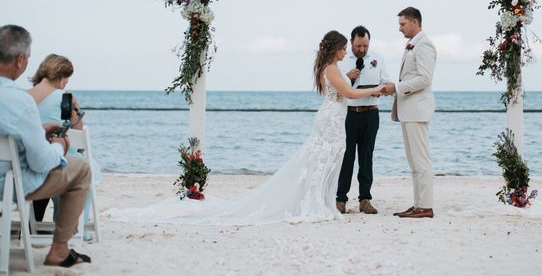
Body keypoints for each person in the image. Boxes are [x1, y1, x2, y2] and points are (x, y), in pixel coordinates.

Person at [110, 30, 383, 225]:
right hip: (332, 119)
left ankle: (322, 202)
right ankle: (317, 204)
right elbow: (349, 93)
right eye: (344, 47)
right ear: (336, 48)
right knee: (323, 163)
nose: (346, 51)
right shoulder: (333, 67)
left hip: (332, 118)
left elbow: (340, 90)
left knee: (326, 162)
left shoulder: (328, 66)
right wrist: (379, 89)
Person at [0, 25, 91, 268]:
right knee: (79, 168)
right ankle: (59, 251)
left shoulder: (27, 96)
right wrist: (60, 146)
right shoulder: (18, 101)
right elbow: (40, 161)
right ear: (20, 60)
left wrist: (39, 131)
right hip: (6, 185)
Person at [28, 54, 101, 240]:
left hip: (30, 165)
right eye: (66, 78)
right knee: (84, 164)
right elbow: (78, 136)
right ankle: (75, 229)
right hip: (59, 164)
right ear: (59, 77)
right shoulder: (66, 98)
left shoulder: (24, 97)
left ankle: (33, 224)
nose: (67, 83)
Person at [381, 7, 437, 219]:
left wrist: (396, 87)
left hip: (417, 111)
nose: (400, 28)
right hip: (409, 111)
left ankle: (425, 207)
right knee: (414, 160)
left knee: (420, 160)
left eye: (402, 24)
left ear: (415, 22)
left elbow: (424, 79)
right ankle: (418, 204)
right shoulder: (413, 45)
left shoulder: (424, 45)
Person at [336, 25, 390, 215]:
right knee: (346, 157)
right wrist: (347, 77)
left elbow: (387, 81)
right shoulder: (341, 60)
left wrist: (384, 89)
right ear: (351, 43)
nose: (362, 50)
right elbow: (336, 88)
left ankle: (365, 199)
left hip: (370, 113)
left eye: (365, 46)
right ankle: (340, 199)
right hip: (348, 114)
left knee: (366, 158)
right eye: (358, 46)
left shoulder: (378, 57)